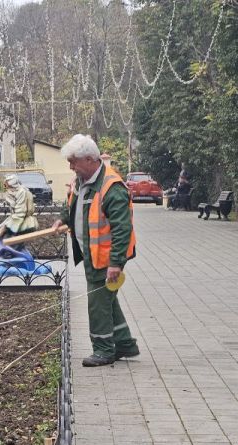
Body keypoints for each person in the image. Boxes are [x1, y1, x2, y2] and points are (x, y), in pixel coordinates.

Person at [53, 134, 139, 367]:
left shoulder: (112, 187)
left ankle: (103, 350)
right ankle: (124, 344)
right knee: (106, 301)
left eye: (74, 162)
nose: (71, 166)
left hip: (105, 257)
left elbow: (122, 229)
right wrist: (63, 219)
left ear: (90, 159)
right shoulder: (81, 180)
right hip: (91, 254)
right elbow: (72, 203)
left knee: (97, 303)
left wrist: (116, 263)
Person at [0, 174, 38, 242]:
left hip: (22, 221)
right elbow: (12, 204)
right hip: (14, 219)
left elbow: (20, 213)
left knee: (3, 237)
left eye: (6, 185)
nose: (5, 187)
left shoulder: (21, 192)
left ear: (12, 184)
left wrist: (5, 227)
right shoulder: (11, 192)